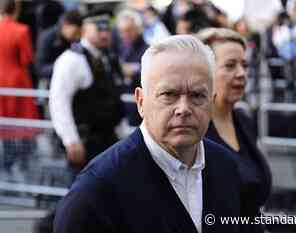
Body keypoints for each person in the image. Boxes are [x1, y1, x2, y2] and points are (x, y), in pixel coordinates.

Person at [54, 35, 247, 233]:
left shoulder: (226, 167)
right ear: (141, 102)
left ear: (212, 102)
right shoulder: (97, 189)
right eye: (168, 95)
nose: (183, 108)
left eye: (197, 95)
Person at [198, 28, 272, 233]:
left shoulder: (244, 120)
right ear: (205, 72)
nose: (241, 73)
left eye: (244, 65)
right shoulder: (194, 133)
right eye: (230, 65)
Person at [49, 10, 125, 179]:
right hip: (85, 142)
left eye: (107, 29)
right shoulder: (71, 60)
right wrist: (71, 140)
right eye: (99, 29)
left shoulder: (108, 58)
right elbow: (59, 102)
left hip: (108, 140)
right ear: (84, 30)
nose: (105, 33)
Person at [0, 0, 40, 180]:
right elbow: (27, 58)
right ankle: (19, 168)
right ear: (16, 9)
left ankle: (6, 168)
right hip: (17, 82)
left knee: (5, 125)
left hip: (1, 82)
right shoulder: (21, 30)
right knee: (21, 127)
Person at [112, 9, 148, 127]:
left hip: (139, 108)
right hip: (123, 106)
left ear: (138, 29)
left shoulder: (147, 50)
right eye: (121, 32)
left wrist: (134, 71)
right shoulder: (120, 47)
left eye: (128, 31)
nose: (124, 35)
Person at [36, 9, 82, 80]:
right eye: (75, 32)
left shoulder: (75, 40)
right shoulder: (47, 38)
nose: (77, 37)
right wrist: (62, 66)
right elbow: (40, 68)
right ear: (66, 25)